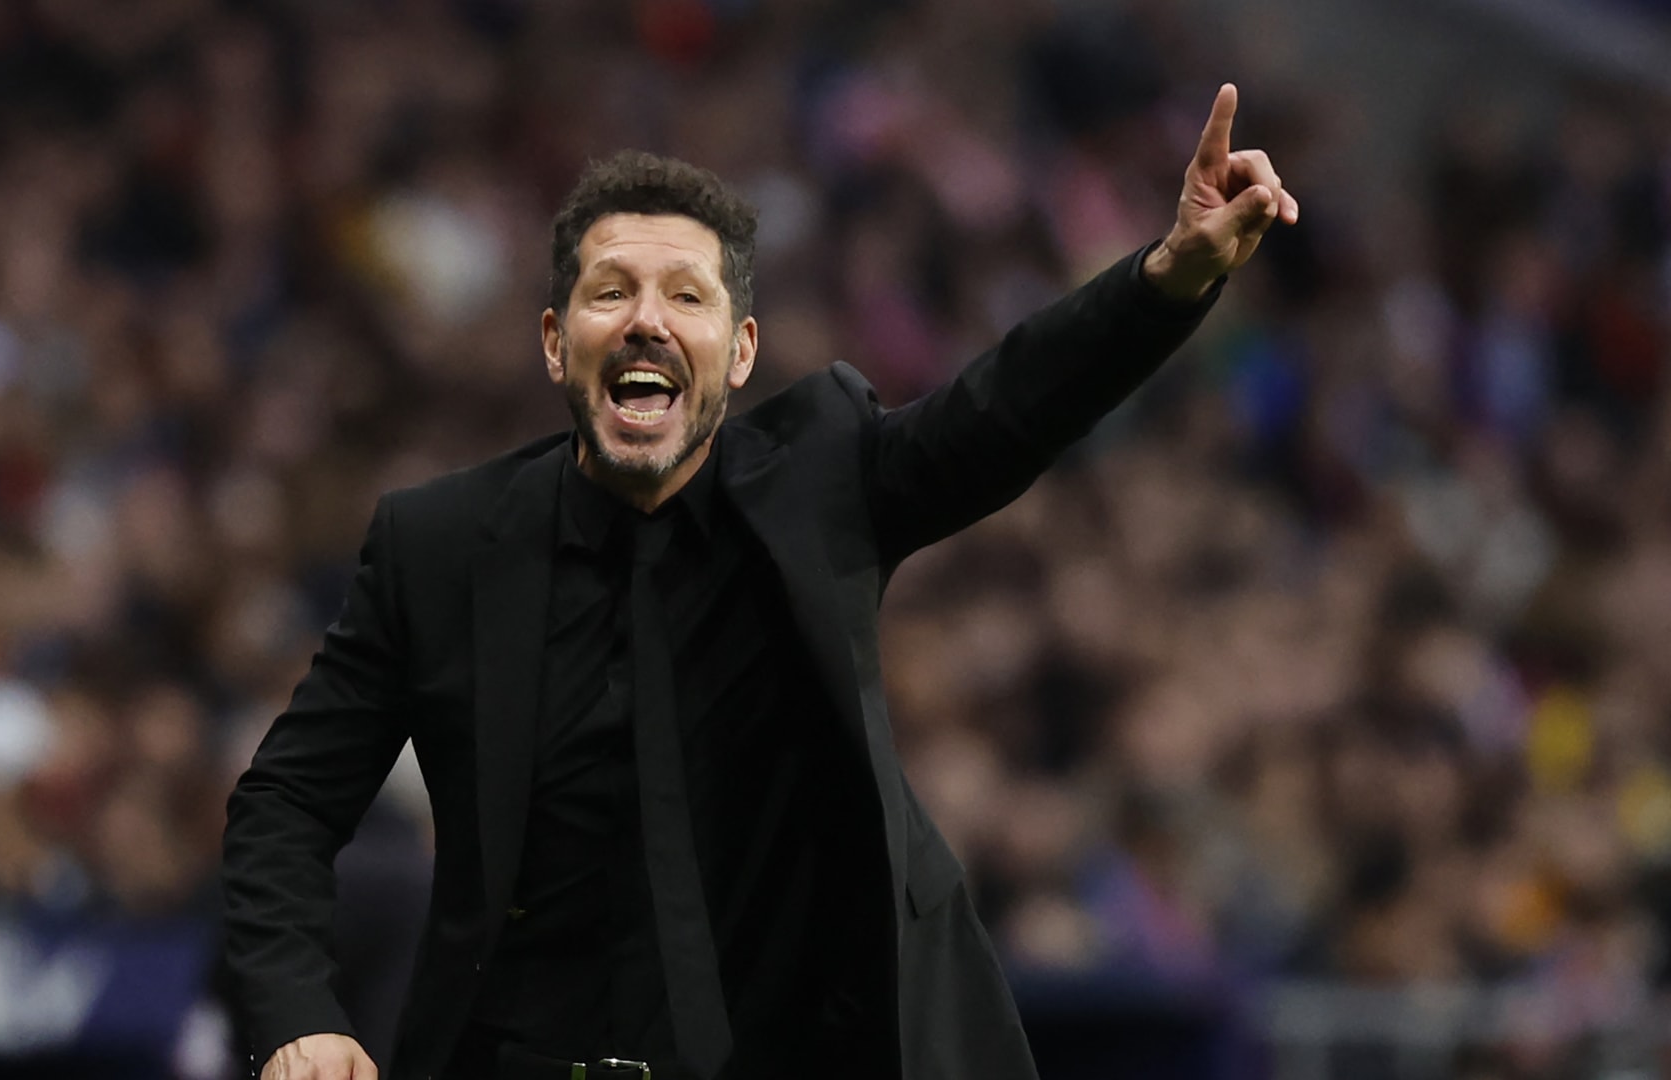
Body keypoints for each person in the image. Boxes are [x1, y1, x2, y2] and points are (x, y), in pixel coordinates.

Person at [221, 83, 1299, 1080]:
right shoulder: (439, 546)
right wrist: (297, 1012)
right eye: (611, 291)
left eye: (685, 295)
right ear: (556, 342)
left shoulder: (819, 479)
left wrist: (1169, 275)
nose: (646, 319)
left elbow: (1004, 405)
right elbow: (287, 800)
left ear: (738, 354)